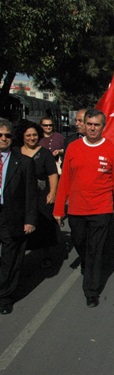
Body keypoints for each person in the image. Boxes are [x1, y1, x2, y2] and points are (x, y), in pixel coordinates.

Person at [53, 109, 114, 308]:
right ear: (84, 125)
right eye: (89, 124)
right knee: (81, 244)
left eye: (96, 124)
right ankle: (87, 263)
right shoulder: (73, 147)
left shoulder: (111, 149)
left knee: (96, 249)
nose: (92, 128)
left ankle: (92, 291)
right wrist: (59, 209)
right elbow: (65, 181)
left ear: (103, 127)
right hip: (76, 210)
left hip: (101, 210)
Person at [0, 119, 37, 315]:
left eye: (7, 135)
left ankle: (5, 296)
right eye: (0, 135)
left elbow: (31, 194)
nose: (4, 139)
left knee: (10, 257)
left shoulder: (23, 162)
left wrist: (30, 220)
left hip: (11, 215)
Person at [18, 121, 59, 267]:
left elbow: (52, 174)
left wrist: (52, 192)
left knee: (43, 226)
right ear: (22, 136)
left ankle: (46, 255)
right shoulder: (16, 152)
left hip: (41, 195)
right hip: (21, 197)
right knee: (20, 227)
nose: (31, 138)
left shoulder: (45, 153)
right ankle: (18, 257)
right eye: (28, 135)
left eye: (34, 135)